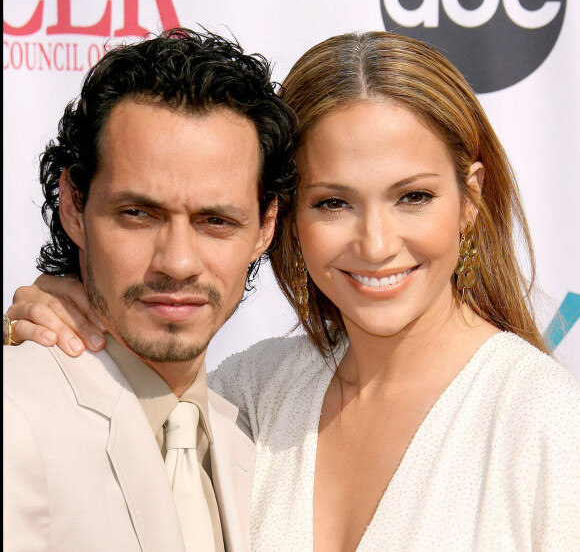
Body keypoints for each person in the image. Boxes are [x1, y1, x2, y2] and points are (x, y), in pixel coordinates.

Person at [6, 31, 580, 551]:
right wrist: (50, 312)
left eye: (413, 197)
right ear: (283, 218)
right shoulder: (255, 393)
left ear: (470, 200)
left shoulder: (547, 422)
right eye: (334, 202)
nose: (376, 244)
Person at [3, 27, 295, 552]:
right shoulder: (15, 420)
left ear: (266, 225)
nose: (178, 262)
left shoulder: (258, 436)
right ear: (73, 205)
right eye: (137, 214)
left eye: (216, 221)